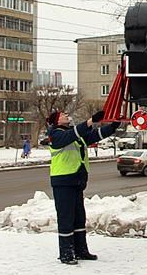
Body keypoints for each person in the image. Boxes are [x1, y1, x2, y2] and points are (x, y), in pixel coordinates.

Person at [46, 109, 121, 265]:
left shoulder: (75, 136)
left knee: (79, 218)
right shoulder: (56, 135)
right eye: (63, 115)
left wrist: (113, 126)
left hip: (76, 181)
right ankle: (66, 253)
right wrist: (90, 121)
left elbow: (94, 135)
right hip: (63, 182)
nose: (67, 115)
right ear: (56, 121)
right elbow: (71, 135)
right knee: (66, 219)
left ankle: (81, 250)